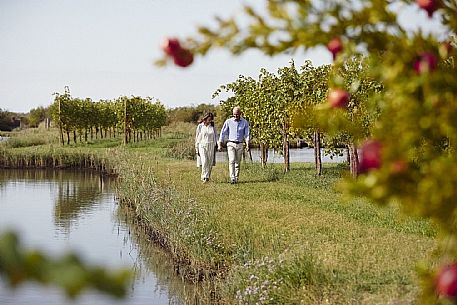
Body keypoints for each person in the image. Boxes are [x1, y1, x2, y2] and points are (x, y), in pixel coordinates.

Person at [218, 106, 250, 184]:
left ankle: (236, 178)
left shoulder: (245, 122)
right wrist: (220, 143)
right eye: (234, 114)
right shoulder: (228, 121)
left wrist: (247, 144)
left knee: (237, 162)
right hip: (231, 143)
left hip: (240, 144)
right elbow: (223, 133)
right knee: (231, 160)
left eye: (237, 114)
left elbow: (247, 135)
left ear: (240, 114)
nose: (235, 116)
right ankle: (232, 178)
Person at [195, 112, 217, 183]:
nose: (209, 121)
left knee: (209, 163)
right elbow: (197, 137)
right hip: (202, 145)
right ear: (205, 119)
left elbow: (215, 137)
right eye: (208, 119)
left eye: (211, 120)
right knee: (204, 161)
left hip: (211, 145)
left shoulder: (213, 126)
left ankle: (207, 177)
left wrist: (216, 145)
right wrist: (196, 147)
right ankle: (204, 177)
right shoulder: (200, 126)